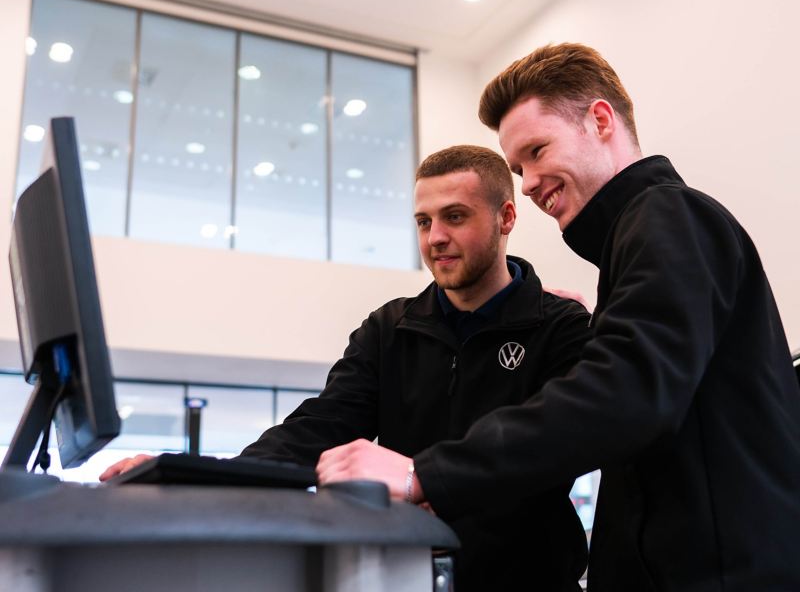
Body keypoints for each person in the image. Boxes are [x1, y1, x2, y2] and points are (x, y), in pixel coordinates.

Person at [319, 44, 800, 591]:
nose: (526, 181)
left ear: (599, 121)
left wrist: (422, 473)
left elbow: (623, 393)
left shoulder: (667, 215)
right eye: (519, 166)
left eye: (537, 151)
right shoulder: (637, 240)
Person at [101, 145, 592, 592]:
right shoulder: (390, 327)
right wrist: (198, 477)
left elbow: (554, 446)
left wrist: (430, 479)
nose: (435, 238)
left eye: (455, 217)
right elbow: (319, 427)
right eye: (423, 222)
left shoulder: (561, 327)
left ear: (506, 217)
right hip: (405, 578)